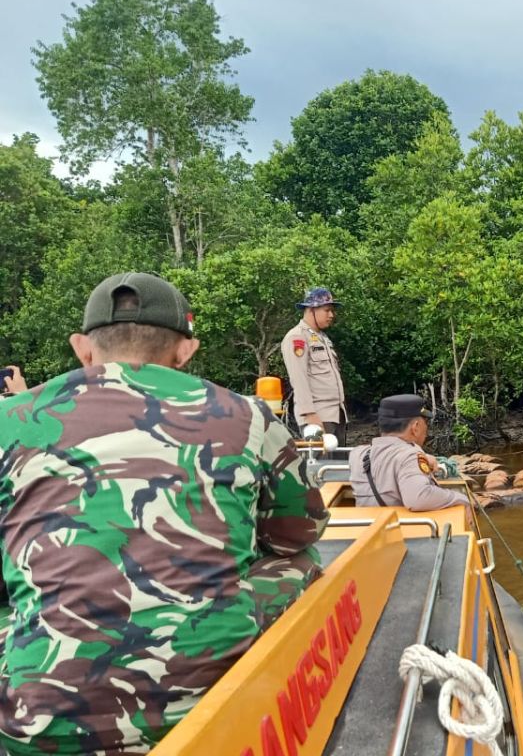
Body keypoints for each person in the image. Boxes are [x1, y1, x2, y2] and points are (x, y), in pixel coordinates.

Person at [0, 272, 329, 755]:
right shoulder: (247, 414)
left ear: (81, 348)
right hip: (197, 707)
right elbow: (297, 532)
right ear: (186, 351)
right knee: (302, 559)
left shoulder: (11, 420)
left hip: (37, 727)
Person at [349, 394, 471, 511]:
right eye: (425, 423)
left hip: (365, 526)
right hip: (399, 528)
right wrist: (460, 498)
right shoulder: (411, 456)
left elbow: (388, 460)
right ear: (415, 427)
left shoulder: (358, 454)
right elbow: (419, 498)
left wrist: (423, 457)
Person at [280, 287, 347, 445]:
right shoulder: (298, 337)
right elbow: (299, 379)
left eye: (332, 311)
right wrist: (309, 415)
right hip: (318, 416)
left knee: (336, 467)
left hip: (335, 415)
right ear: (311, 310)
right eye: (327, 310)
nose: (331, 315)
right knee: (319, 466)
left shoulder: (322, 337)